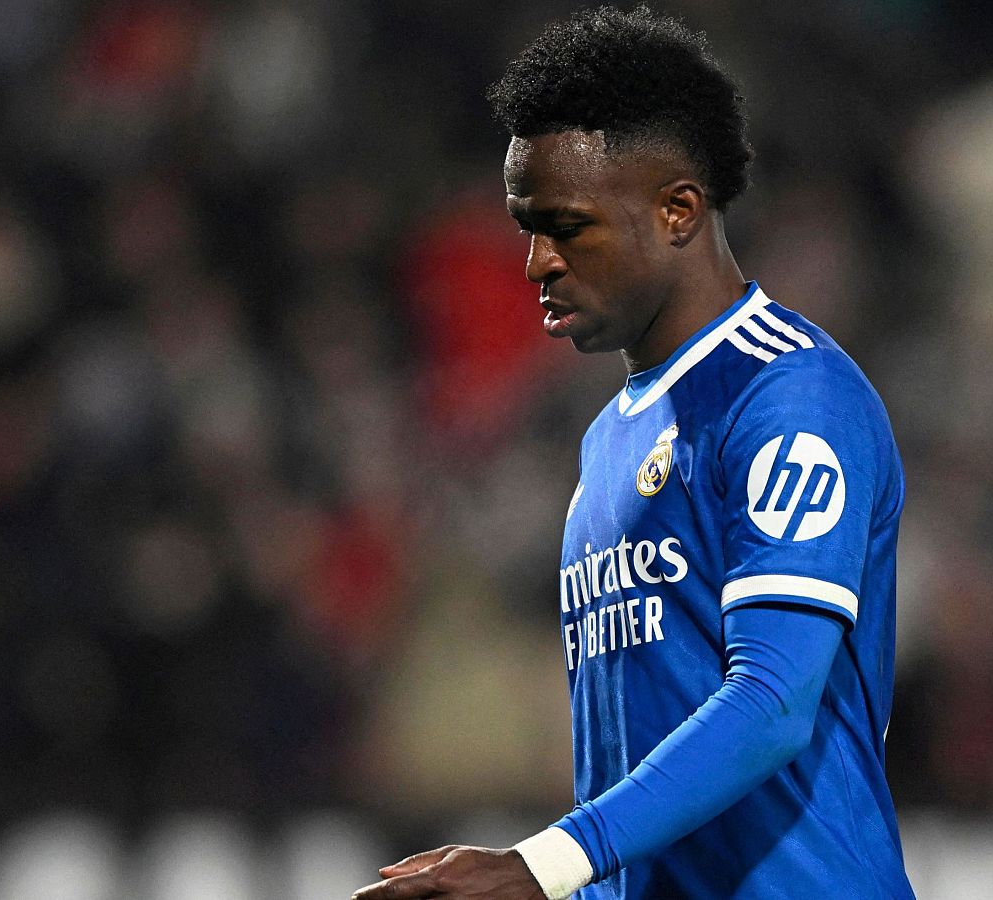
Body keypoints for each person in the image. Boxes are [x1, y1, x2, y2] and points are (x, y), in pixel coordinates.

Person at [353, 7, 915, 899]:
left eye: (568, 227)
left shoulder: (789, 395)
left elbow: (773, 702)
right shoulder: (610, 438)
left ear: (679, 210)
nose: (535, 262)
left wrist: (541, 864)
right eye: (525, 226)